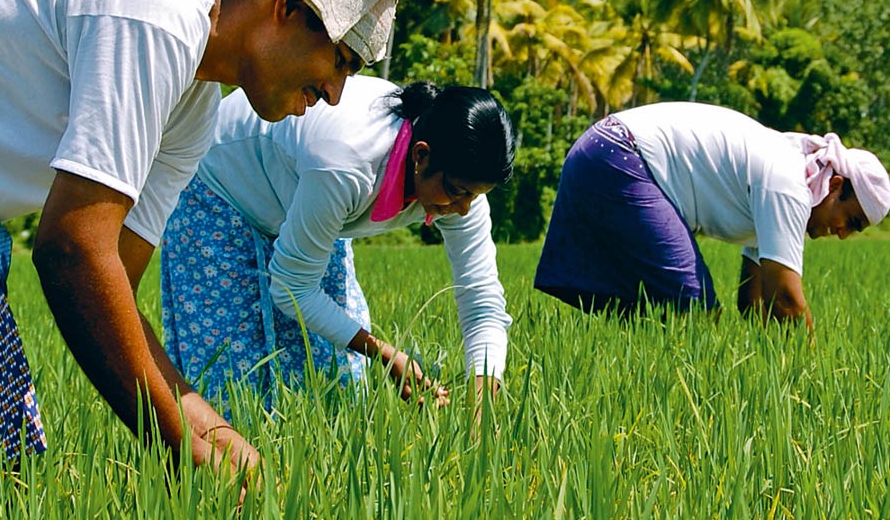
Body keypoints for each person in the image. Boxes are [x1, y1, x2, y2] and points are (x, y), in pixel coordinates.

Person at [0, 0, 398, 472]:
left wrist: (212, 431)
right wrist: (184, 450)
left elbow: (113, 289)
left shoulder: (192, 107)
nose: (336, 94)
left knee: (8, 466)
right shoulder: (154, 10)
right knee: (7, 467)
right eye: (340, 60)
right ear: (286, 7)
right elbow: (73, 250)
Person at [159, 74, 515, 411]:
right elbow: (292, 288)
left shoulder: (459, 185)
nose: (464, 209)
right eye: (458, 193)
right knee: (233, 381)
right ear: (421, 156)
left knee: (335, 378)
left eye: (475, 196)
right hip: (219, 187)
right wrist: (384, 353)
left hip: (302, 191)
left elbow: (481, 298)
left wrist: (481, 403)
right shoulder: (345, 163)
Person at [534, 102, 890, 328]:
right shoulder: (789, 185)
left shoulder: (785, 188)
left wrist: (772, 364)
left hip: (600, 149)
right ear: (835, 185)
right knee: (697, 312)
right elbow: (785, 300)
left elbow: (753, 303)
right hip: (619, 154)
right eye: (852, 220)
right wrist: (815, 374)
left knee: (647, 317)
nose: (843, 233)